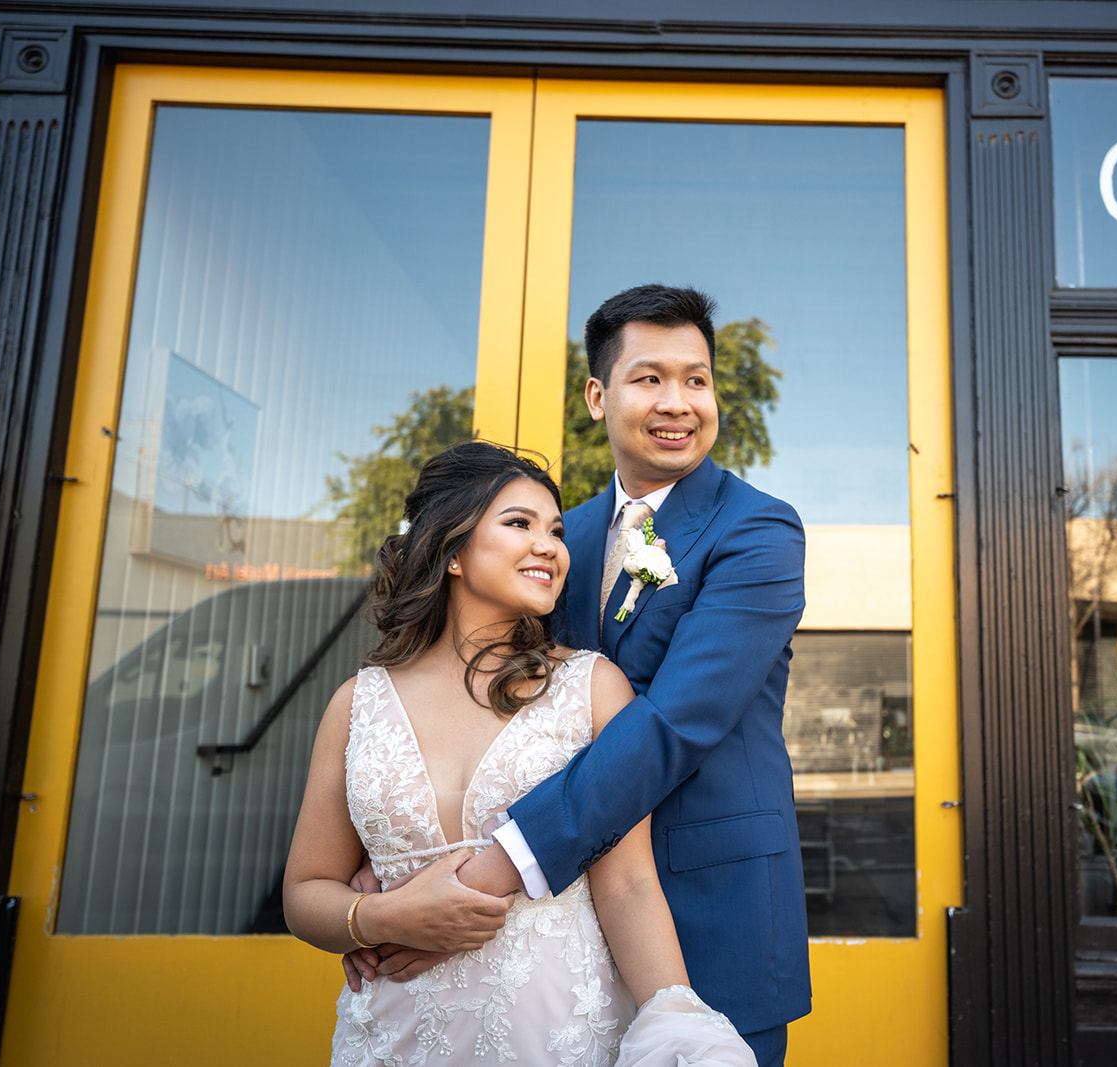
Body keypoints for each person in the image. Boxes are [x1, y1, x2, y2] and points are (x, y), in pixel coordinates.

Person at [353, 285, 811, 1066]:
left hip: (710, 914)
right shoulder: (562, 532)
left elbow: (674, 723)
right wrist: (402, 860)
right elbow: (499, 689)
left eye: (697, 379)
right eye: (650, 377)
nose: (678, 402)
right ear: (599, 395)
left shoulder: (759, 530)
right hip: (556, 933)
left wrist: (481, 873)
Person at [283, 440, 752, 1066]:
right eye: (519, 523)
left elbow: (629, 885)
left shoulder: (592, 688)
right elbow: (306, 892)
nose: (550, 546)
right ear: (451, 550)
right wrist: (378, 918)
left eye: (556, 531)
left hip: (556, 1029)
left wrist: (678, 1026)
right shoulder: (356, 703)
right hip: (393, 1035)